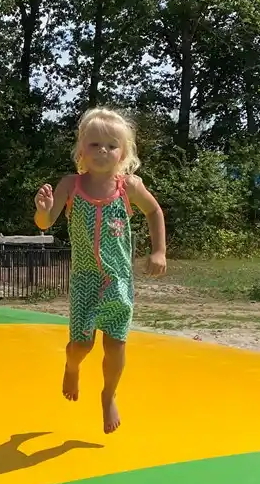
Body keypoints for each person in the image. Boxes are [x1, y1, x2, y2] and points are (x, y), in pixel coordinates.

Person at [34, 107, 167, 433]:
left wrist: (159, 250)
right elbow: (44, 224)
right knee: (82, 345)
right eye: (94, 145)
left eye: (111, 145)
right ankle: (72, 364)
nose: (103, 151)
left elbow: (154, 211)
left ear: (123, 152)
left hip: (118, 278)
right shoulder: (70, 185)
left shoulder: (129, 187)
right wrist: (43, 210)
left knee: (116, 343)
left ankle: (109, 394)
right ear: (81, 150)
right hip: (83, 280)